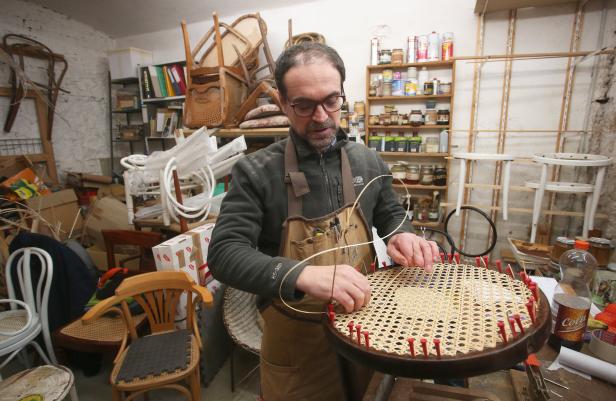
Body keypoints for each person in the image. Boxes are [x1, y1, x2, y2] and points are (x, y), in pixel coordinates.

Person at [208, 42, 439, 401]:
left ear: (342, 96)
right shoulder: (257, 172)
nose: (320, 117)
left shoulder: (366, 161)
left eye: (331, 101)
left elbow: (390, 213)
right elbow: (224, 254)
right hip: (297, 347)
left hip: (365, 328)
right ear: (284, 104)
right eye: (303, 105)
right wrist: (300, 274)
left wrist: (402, 235)